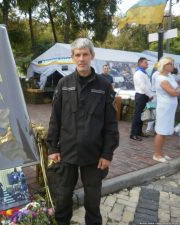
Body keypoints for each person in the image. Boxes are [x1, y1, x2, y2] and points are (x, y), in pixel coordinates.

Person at [47, 38, 119, 225]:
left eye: (85, 54)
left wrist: (107, 153)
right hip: (66, 153)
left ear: (92, 56)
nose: (81, 59)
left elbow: (111, 124)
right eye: (77, 55)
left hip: (94, 155)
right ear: (72, 57)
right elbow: (55, 119)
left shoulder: (104, 86)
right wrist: (53, 148)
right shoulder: (64, 84)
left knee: (93, 201)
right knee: (63, 199)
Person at [153, 57, 180, 163]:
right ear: (165, 66)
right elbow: (173, 92)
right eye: (171, 64)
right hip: (164, 107)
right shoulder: (161, 78)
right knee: (161, 131)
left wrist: (176, 90)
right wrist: (176, 90)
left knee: (165, 131)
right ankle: (157, 154)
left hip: (170, 107)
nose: (173, 66)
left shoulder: (169, 76)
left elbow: (175, 89)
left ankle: (161, 152)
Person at [130, 57, 154, 141]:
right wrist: (150, 95)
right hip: (141, 95)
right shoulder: (138, 73)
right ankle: (133, 134)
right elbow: (143, 86)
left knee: (141, 116)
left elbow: (147, 85)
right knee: (137, 116)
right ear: (140, 63)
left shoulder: (143, 73)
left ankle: (139, 132)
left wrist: (149, 95)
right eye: (145, 62)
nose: (147, 64)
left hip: (144, 96)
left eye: (147, 62)